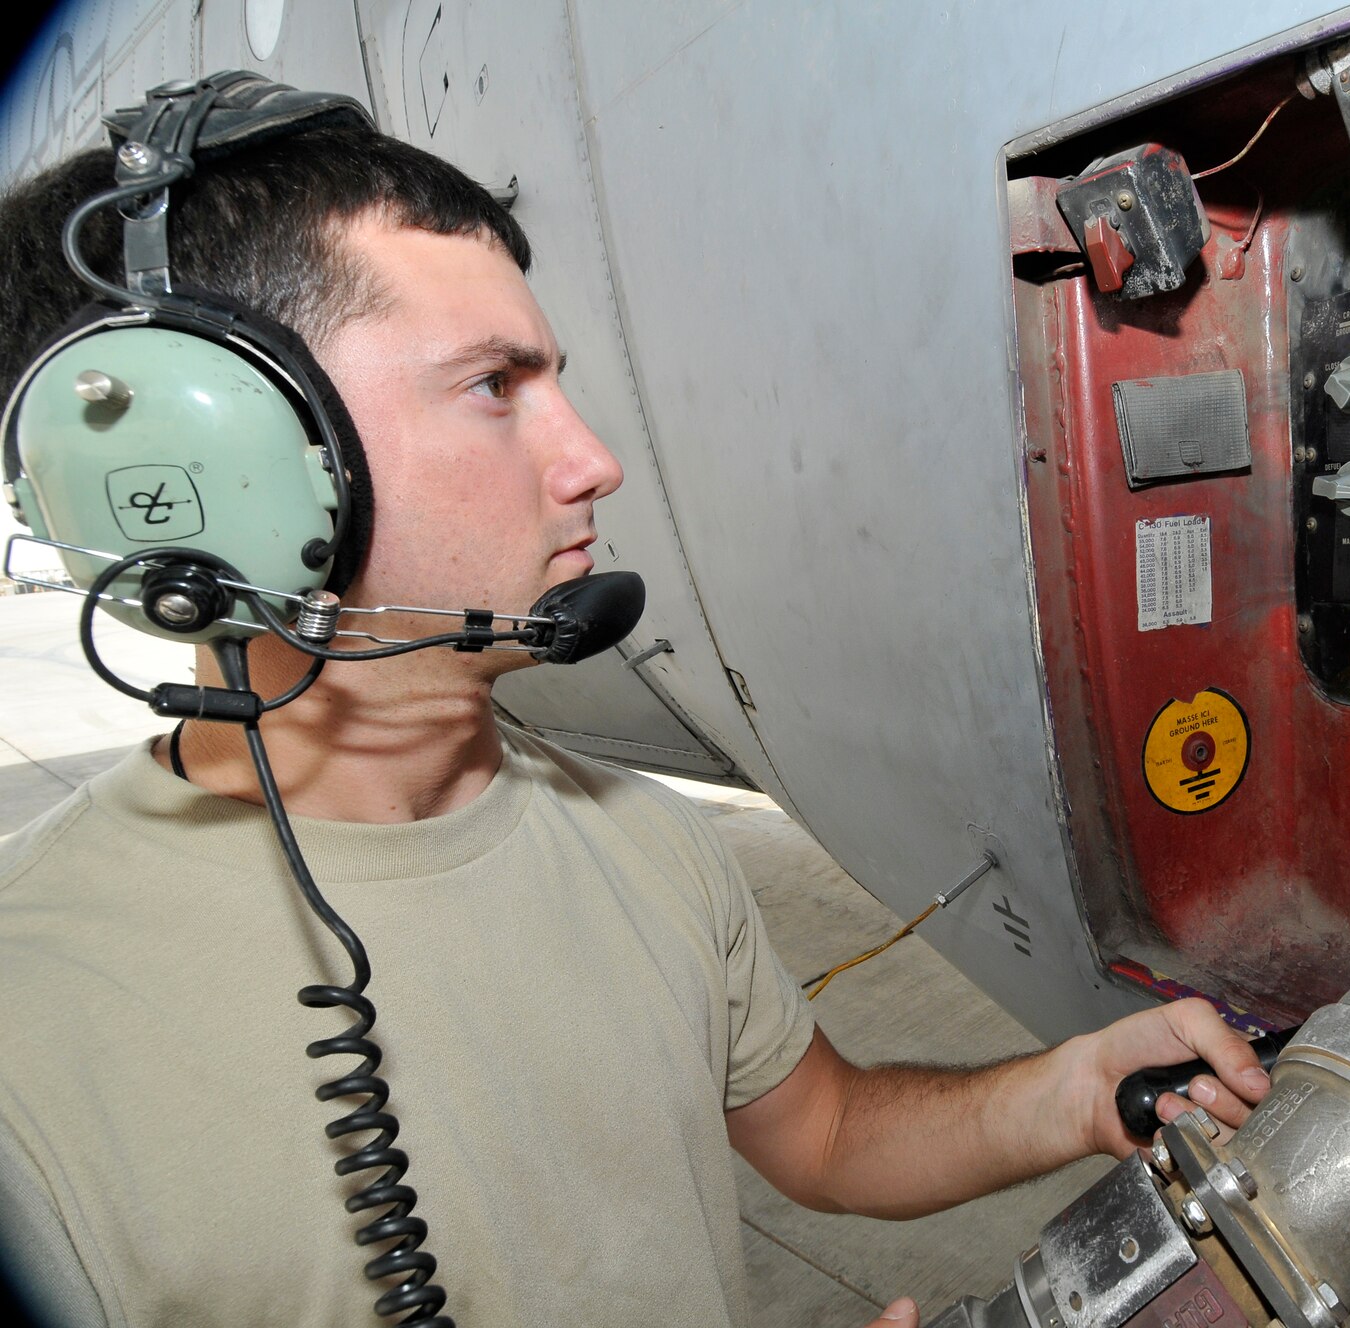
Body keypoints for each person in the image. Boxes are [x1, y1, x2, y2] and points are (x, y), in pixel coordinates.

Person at [0, 87, 1270, 1327]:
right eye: (496, 384)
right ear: (223, 466)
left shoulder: (643, 839)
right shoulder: (34, 1036)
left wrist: (1066, 1092)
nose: (591, 458)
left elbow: (823, 1131)